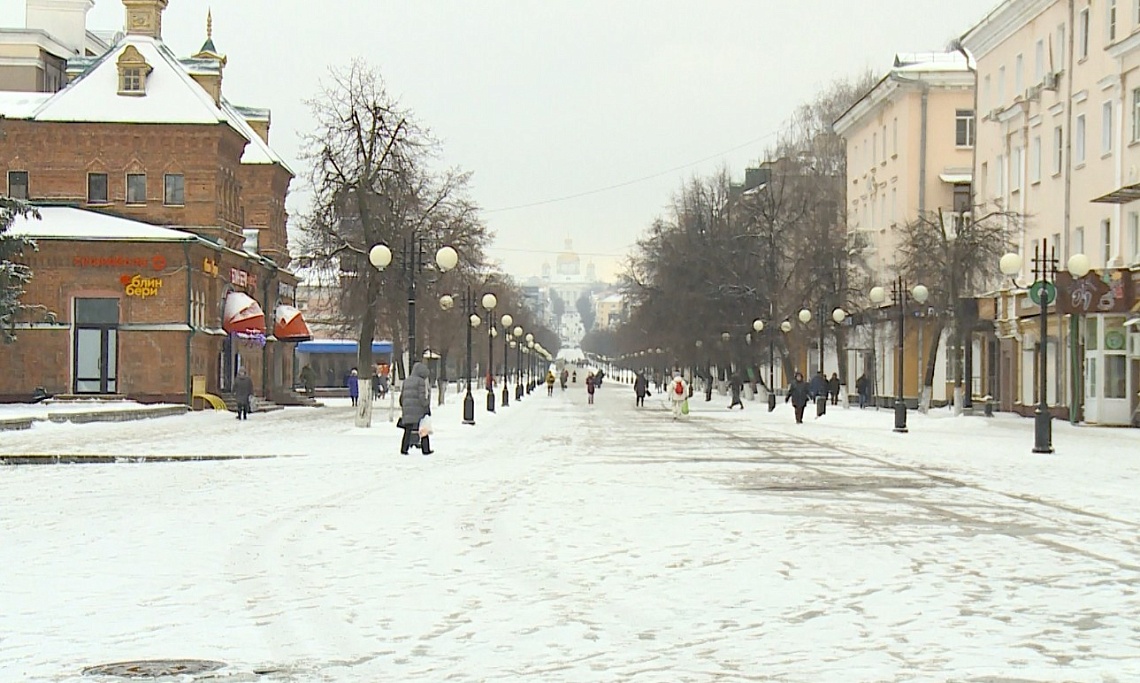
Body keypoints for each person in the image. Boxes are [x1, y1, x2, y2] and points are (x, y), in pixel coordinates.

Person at [399, 362, 432, 455]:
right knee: (423, 428)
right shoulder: (420, 382)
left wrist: (404, 407)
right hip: (418, 410)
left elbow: (402, 397)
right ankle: (426, 449)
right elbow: (421, 397)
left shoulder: (406, 381)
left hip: (407, 410)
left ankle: (404, 449)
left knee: (408, 430)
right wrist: (426, 404)